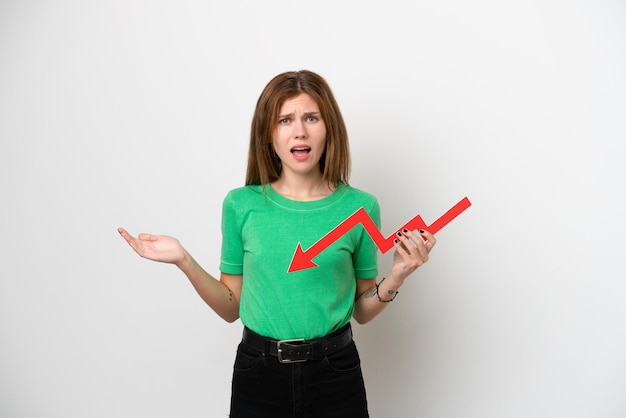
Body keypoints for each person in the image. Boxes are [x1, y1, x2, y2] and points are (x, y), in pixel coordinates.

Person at [118, 69, 436, 417]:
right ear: (269, 135)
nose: (299, 130)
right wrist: (184, 260)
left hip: (335, 373)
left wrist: (398, 275)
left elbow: (360, 310)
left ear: (328, 128)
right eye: (285, 120)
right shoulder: (241, 205)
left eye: (311, 118)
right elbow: (230, 307)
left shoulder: (360, 207)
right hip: (259, 375)